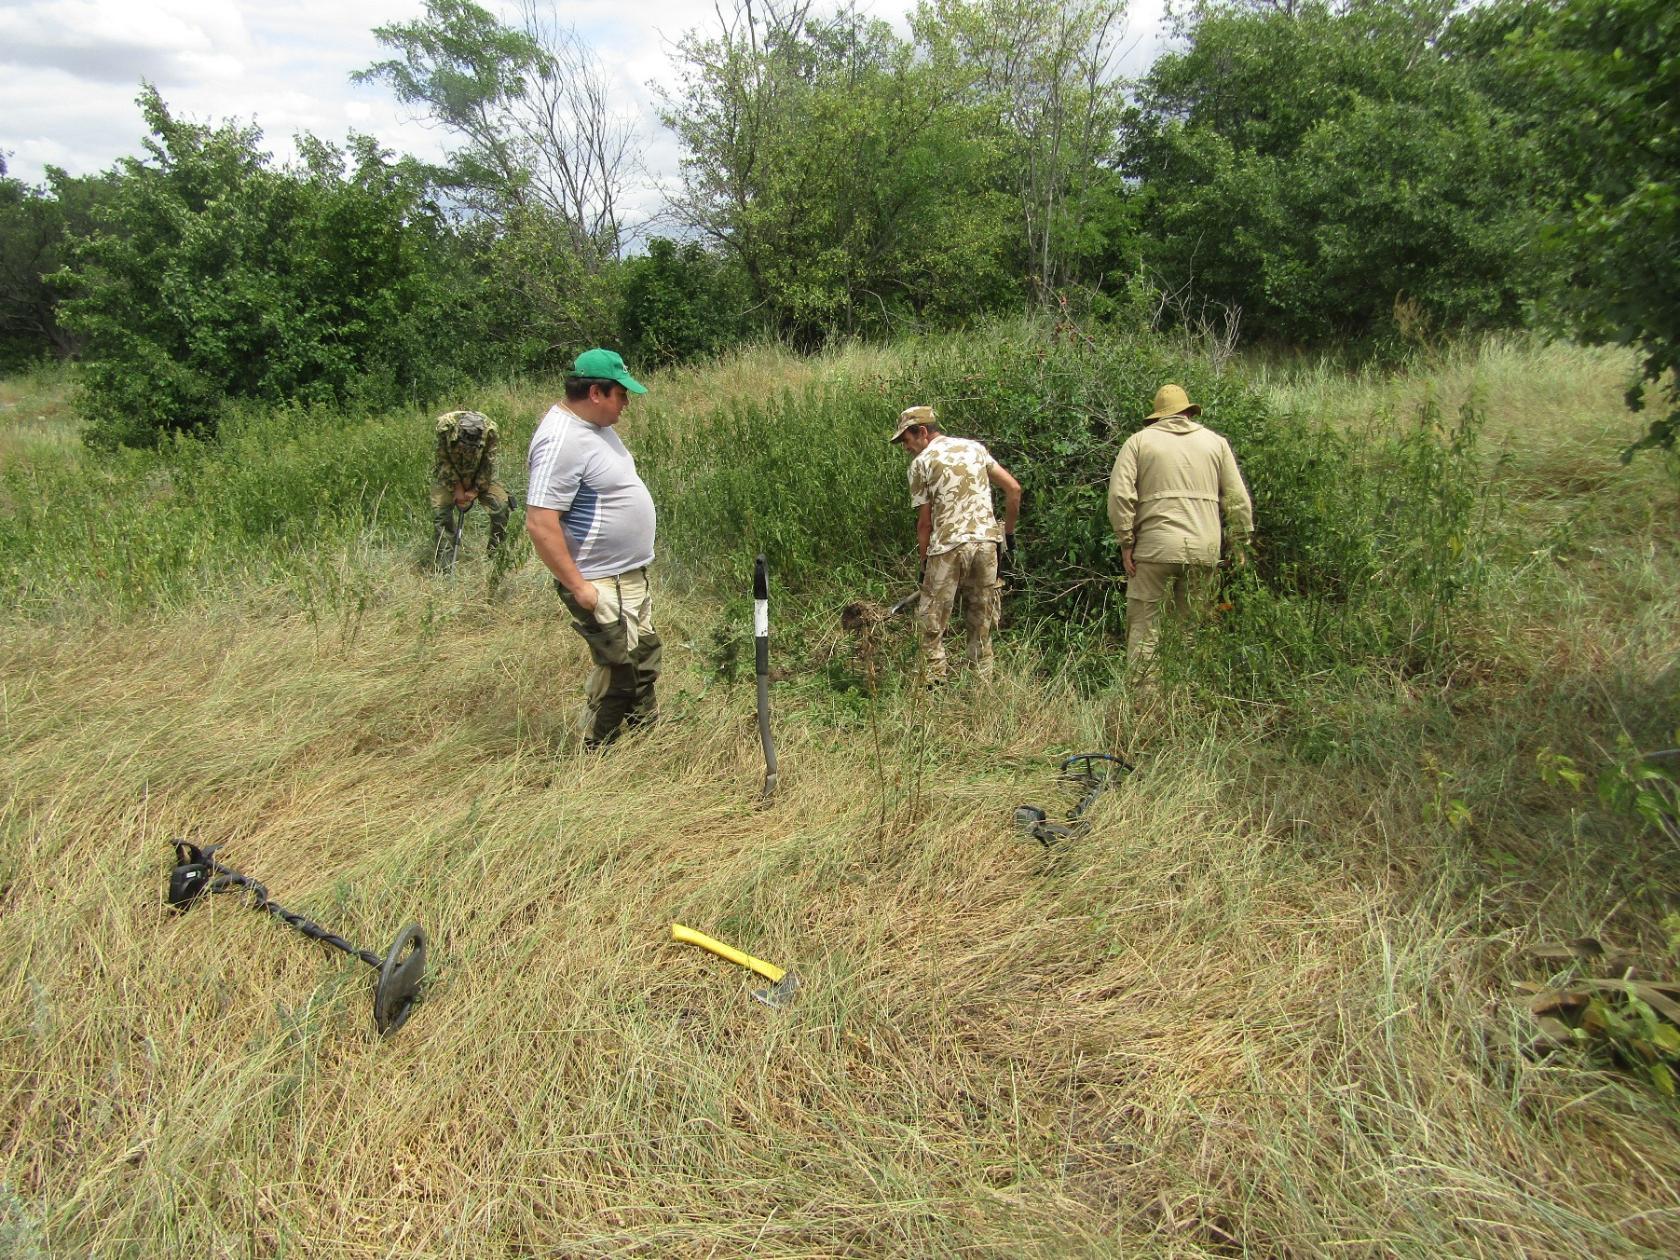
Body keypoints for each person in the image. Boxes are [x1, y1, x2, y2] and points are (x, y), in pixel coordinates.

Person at [525, 348, 660, 750]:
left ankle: (644, 744)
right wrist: (579, 586)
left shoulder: (596, 428)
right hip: (599, 579)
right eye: (621, 394)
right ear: (596, 393)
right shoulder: (560, 439)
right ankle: (592, 753)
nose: (627, 403)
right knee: (618, 670)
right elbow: (540, 522)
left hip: (626, 576)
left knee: (644, 658)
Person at [1106, 383, 1253, 670]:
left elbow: (1119, 495)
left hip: (1153, 550)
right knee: (1190, 631)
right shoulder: (1216, 443)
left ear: (1158, 416)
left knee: (1145, 633)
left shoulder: (1138, 442)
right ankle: (1185, 697)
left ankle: (1143, 702)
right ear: (1188, 412)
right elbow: (1237, 500)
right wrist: (1239, 544)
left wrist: (1126, 542)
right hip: (1204, 550)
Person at [890, 405, 1022, 682]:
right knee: (980, 620)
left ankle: (933, 683)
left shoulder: (921, 464)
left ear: (922, 432)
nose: (905, 446)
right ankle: (982, 683)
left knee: (931, 620)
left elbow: (925, 524)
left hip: (947, 547)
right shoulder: (975, 449)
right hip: (986, 544)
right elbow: (1013, 489)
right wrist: (1007, 536)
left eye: (906, 439)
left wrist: (924, 564)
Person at [430, 409, 510, 569]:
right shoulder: (445, 427)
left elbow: (488, 465)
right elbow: (443, 460)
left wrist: (474, 490)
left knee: (501, 507)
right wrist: (458, 488)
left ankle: (495, 559)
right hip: (450, 475)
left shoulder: (490, 431)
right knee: (441, 515)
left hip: (479, 474)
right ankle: (444, 567)